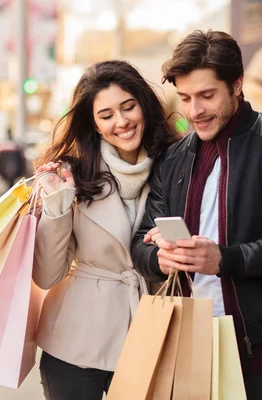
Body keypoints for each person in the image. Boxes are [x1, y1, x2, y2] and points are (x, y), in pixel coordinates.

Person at [131, 30, 262, 400]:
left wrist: (225, 258)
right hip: (186, 345)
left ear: (237, 84)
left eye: (207, 96)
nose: (194, 111)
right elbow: (141, 240)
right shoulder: (173, 158)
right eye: (186, 98)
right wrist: (159, 257)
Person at [32, 60, 178, 400]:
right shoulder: (72, 174)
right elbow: (47, 276)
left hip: (150, 332)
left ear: (144, 105)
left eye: (128, 107)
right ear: (94, 125)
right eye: (107, 115)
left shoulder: (175, 163)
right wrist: (58, 204)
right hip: (76, 341)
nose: (122, 122)